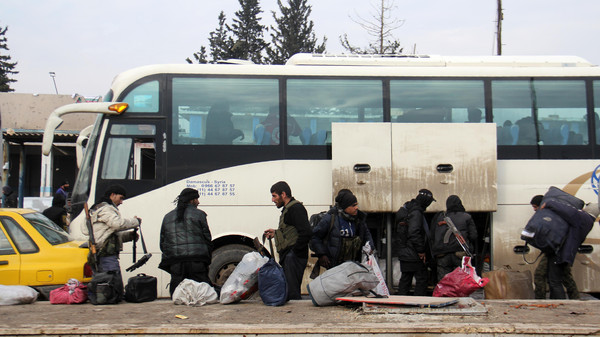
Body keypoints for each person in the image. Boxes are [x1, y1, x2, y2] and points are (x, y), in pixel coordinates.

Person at [83, 184, 141, 300]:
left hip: (102, 253)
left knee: (104, 283)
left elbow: (108, 234)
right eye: (121, 198)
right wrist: (135, 221)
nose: (121, 202)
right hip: (105, 254)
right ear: (112, 195)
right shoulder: (105, 209)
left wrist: (129, 236)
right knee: (112, 282)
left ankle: (107, 300)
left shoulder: (99, 208)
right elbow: (117, 224)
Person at [159, 188, 213, 297]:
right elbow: (207, 238)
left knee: (177, 294)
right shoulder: (200, 215)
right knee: (203, 293)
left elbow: (163, 242)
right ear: (191, 200)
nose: (198, 202)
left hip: (176, 262)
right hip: (197, 261)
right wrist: (206, 257)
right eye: (197, 199)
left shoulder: (167, 217)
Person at [536, 200, 596, 299]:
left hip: (561, 252)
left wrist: (550, 203)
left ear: (590, 210)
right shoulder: (588, 221)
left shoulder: (583, 218)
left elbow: (568, 211)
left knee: (555, 281)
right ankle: (561, 302)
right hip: (565, 253)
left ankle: (561, 304)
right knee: (558, 279)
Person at [263, 181, 311, 300]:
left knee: (292, 294)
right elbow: (290, 231)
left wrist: (293, 253)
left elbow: (306, 232)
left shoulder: (296, 208)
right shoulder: (288, 209)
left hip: (294, 257)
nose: (273, 200)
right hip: (291, 257)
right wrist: (276, 233)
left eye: (274, 196)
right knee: (288, 291)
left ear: (283, 194)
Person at [310, 189, 375, 270]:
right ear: (345, 207)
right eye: (353, 205)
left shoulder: (359, 220)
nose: (356, 208)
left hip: (353, 264)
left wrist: (370, 246)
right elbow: (315, 237)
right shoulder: (330, 219)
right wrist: (322, 255)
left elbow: (367, 235)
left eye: (356, 205)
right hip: (334, 266)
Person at [530, 195, 580, 299]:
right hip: (553, 251)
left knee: (544, 275)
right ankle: (575, 298)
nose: (534, 210)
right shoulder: (550, 217)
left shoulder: (552, 218)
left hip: (557, 251)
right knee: (563, 277)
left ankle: (541, 300)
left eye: (535, 207)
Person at [396, 189, 435, 296]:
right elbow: (414, 232)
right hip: (413, 253)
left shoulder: (407, 209)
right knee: (422, 279)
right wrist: (421, 250)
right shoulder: (416, 212)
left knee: (405, 279)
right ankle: (419, 303)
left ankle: (401, 302)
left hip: (404, 251)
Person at [430, 195, 477, 282]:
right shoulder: (466, 217)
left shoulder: (439, 217)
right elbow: (473, 235)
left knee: (444, 281)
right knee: (460, 280)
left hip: (442, 254)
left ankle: (445, 295)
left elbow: (432, 235)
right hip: (460, 253)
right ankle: (458, 295)